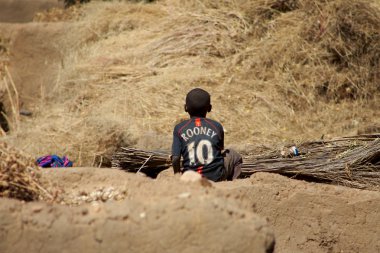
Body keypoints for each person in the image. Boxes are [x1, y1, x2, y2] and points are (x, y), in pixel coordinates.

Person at [171, 88, 242, 182]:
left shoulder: (179, 128)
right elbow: (219, 151)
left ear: (185, 108)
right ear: (209, 108)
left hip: (190, 178)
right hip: (216, 177)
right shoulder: (217, 126)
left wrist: (178, 176)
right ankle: (232, 184)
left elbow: (175, 158)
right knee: (234, 155)